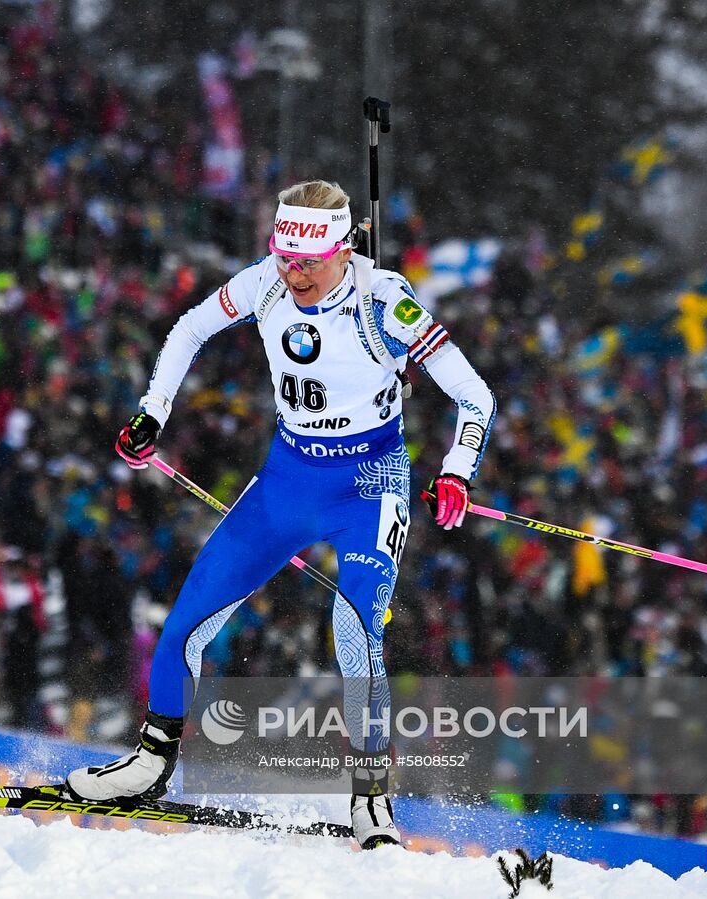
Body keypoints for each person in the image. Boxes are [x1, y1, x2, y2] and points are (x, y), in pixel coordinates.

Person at [65, 180, 496, 849]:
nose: (293, 274)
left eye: (308, 262)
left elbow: (474, 395)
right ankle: (150, 763)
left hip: (370, 483)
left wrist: (456, 471)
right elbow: (190, 328)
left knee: (354, 626)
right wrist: (154, 409)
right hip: (288, 475)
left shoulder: (387, 303)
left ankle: (372, 798)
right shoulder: (266, 280)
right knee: (186, 618)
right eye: (284, 258)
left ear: (342, 247)